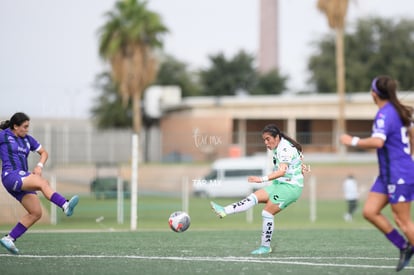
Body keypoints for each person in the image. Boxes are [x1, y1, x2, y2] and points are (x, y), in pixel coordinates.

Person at [340, 75, 414, 272]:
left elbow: (378, 142)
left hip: (398, 174)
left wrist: (352, 141)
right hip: (388, 174)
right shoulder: (397, 111)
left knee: (403, 221)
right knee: (370, 212)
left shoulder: (386, 114)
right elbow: (411, 134)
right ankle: (404, 246)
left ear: (375, 94)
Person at [210, 124, 305, 254]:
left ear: (277, 137)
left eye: (268, 139)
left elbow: (282, 171)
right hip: (280, 184)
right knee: (254, 197)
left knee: (267, 213)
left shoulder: (285, 148)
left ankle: (265, 247)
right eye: (264, 140)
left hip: (291, 187)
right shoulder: (281, 145)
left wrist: (261, 179)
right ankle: (224, 211)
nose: (266, 143)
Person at [0, 112, 79, 255]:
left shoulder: (27, 139)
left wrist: (39, 166)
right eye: (24, 127)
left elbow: (44, 153)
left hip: (21, 178)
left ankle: (9, 238)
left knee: (36, 212)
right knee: (42, 182)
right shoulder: (3, 136)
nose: (27, 129)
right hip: (11, 176)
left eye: (28, 127)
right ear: (15, 126)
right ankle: (65, 205)